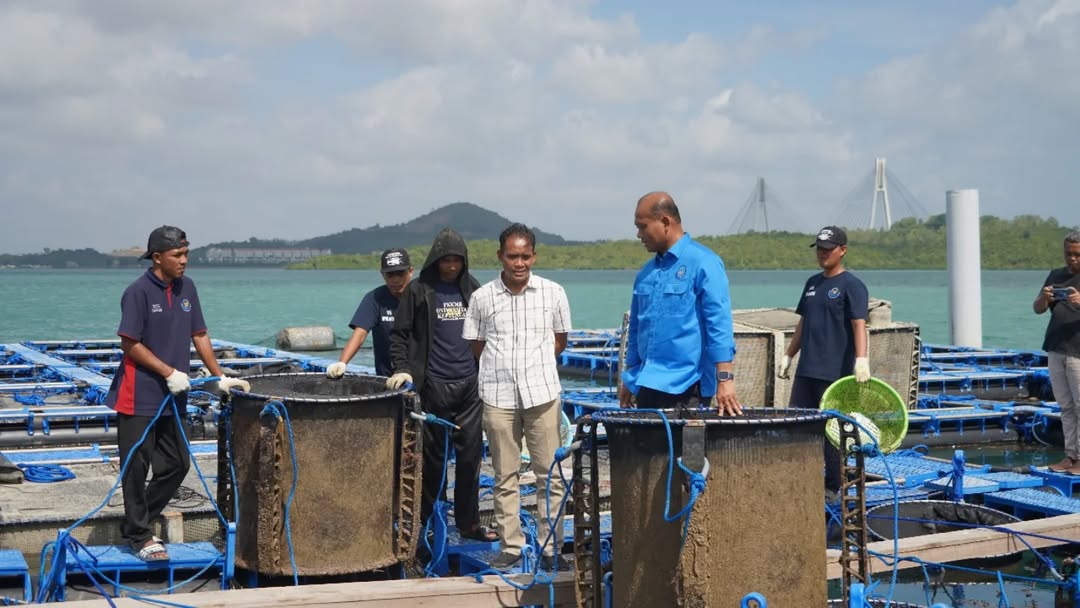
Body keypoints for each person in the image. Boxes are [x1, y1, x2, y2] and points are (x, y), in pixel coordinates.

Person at [105, 225, 249, 561]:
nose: (184, 261)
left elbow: (199, 334)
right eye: (177, 255)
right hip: (138, 394)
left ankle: (134, 522)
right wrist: (168, 371)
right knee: (136, 467)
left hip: (175, 395)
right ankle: (140, 536)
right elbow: (130, 344)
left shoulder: (187, 288)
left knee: (176, 464)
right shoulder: (138, 292)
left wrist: (220, 376)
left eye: (186, 254)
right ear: (157, 257)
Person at [463, 223, 572, 572]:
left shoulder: (553, 292)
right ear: (500, 256)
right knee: (504, 475)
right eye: (513, 256)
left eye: (525, 256)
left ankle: (550, 546)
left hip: (542, 394)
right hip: (498, 396)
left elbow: (560, 341)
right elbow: (476, 346)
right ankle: (511, 545)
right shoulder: (482, 298)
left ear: (534, 256)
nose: (519, 263)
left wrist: (533, 367)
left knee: (550, 474)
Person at [385, 228, 498, 544]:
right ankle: (425, 524)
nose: (451, 266)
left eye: (456, 261)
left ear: (464, 262)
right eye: (445, 260)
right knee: (431, 463)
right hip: (433, 384)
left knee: (470, 459)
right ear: (436, 260)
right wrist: (403, 369)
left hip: (470, 386)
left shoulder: (472, 290)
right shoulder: (418, 291)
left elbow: (489, 334)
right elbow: (399, 336)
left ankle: (469, 523)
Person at [618, 191, 741, 415]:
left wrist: (725, 378)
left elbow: (719, 323)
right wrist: (629, 378)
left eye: (643, 226)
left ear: (665, 221)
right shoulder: (646, 274)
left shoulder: (704, 263)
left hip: (687, 386)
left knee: (684, 450)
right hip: (647, 382)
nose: (638, 234)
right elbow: (636, 329)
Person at [778, 225, 869, 493]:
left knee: (833, 432)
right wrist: (788, 354)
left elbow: (859, 324)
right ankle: (800, 479)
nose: (823, 254)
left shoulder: (852, 285)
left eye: (828, 249)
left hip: (834, 372)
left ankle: (834, 487)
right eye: (819, 249)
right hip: (807, 370)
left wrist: (861, 359)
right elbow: (803, 323)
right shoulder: (812, 284)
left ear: (842, 251)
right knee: (798, 423)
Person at [326, 248, 414, 378]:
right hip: (387, 376)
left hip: (420, 376)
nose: (395, 279)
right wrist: (342, 362)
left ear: (410, 271)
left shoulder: (422, 296)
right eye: (390, 275)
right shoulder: (375, 298)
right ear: (382, 275)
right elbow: (360, 334)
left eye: (400, 273)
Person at [1035, 231, 1080, 474]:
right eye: (1068, 254)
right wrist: (1044, 297)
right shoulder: (1056, 275)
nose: (1072, 259)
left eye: (1077, 255)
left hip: (1078, 352)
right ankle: (1070, 455)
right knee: (1065, 405)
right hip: (1056, 347)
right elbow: (1038, 309)